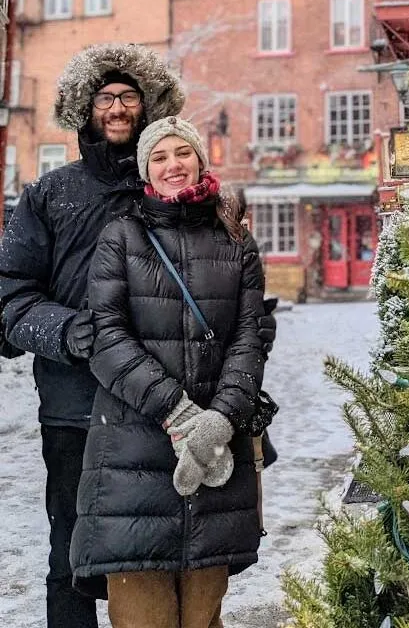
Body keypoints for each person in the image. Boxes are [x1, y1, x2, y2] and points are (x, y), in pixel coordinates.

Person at [0, 44, 276, 628]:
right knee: (75, 556)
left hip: (190, 403)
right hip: (81, 407)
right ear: (85, 107)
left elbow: (243, 309)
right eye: (106, 97)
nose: (119, 107)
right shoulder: (53, 194)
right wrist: (73, 332)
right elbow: (9, 296)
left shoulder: (193, 198)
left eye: (129, 96)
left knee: (185, 555)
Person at [71, 116, 272, 628]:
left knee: (204, 613)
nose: (172, 165)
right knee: (142, 612)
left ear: (200, 160)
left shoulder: (235, 242)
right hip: (133, 451)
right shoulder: (121, 236)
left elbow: (250, 338)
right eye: (158, 158)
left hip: (217, 447)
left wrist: (221, 418)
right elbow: (107, 338)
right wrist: (178, 413)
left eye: (182, 153)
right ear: (146, 172)